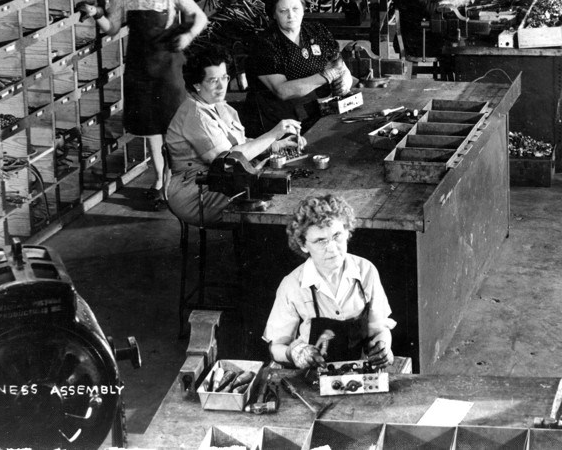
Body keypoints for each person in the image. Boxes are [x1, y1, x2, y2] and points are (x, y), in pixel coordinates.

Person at [81, 0, 207, 209]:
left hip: (168, 67)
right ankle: (161, 183)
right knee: (151, 130)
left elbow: (200, 18)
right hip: (140, 68)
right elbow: (113, 28)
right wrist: (96, 15)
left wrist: (187, 35)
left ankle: (171, 183)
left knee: (171, 126)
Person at [164, 46, 306, 225]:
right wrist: (273, 134)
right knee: (278, 199)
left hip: (221, 183)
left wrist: (276, 144)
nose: (222, 86)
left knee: (284, 189)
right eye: (213, 80)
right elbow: (228, 161)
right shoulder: (196, 115)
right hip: (198, 192)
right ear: (197, 84)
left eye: (224, 77)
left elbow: (238, 144)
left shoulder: (219, 105)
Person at [263, 194, 394, 369]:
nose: (332, 248)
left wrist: (383, 346)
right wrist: (294, 353)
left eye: (337, 236)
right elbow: (276, 346)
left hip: (361, 371)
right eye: (320, 241)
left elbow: (378, 329)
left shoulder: (366, 271)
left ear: (347, 231)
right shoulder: (292, 285)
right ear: (303, 245)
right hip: (311, 375)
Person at [243, 0, 353, 136]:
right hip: (279, 123)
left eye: (295, 9)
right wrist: (326, 76)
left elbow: (337, 61)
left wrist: (345, 75)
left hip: (315, 112)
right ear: (274, 14)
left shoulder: (317, 30)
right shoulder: (265, 44)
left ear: (303, 9)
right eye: (283, 11)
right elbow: (282, 91)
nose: (291, 15)